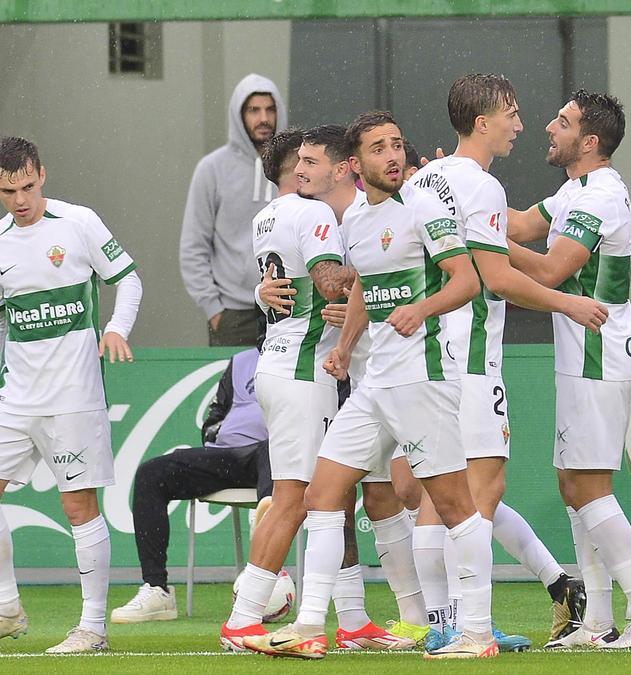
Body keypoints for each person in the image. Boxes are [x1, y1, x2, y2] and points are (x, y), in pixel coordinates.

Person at [247, 111, 496, 660]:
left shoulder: (424, 205)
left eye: (398, 145)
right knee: (322, 495)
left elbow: (467, 279)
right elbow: (362, 286)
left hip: (422, 379)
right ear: (357, 165)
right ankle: (310, 626)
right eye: (380, 148)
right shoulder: (356, 217)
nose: (393, 156)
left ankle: (477, 633)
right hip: (373, 385)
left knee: (454, 505)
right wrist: (343, 345)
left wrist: (421, 309)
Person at [407, 73, 601, 651]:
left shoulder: (429, 177)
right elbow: (496, 278)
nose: (520, 124)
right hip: (470, 361)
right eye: (511, 114)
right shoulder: (481, 187)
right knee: (481, 493)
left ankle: (442, 626)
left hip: (425, 358)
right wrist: (567, 301)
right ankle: (471, 627)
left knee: (438, 497)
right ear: (482, 121)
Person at [221, 129, 413, 653]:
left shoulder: (270, 216)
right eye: (299, 162)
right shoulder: (315, 215)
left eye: (311, 160)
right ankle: (243, 617)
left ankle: (351, 619)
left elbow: (296, 286)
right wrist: (388, 272)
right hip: (303, 371)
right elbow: (330, 283)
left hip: (291, 366)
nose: (303, 169)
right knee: (295, 499)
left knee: (333, 497)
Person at [506, 90, 631, 651]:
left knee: (589, 484)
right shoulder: (575, 189)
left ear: (590, 141)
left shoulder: (601, 196)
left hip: (599, 352)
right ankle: (598, 620)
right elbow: (521, 225)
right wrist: (455, 195)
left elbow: (551, 270)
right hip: (582, 354)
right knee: (571, 484)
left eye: (563, 122)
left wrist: (479, 244)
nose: (550, 128)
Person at [0, 136, 142, 654]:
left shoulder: (78, 222)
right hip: (16, 398)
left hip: (74, 395)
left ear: (43, 174)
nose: (21, 199)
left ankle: (93, 629)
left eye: (29, 186)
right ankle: (6, 610)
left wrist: (115, 327)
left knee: (79, 506)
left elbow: (128, 280)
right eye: (9, 190)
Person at [110, 346, 271, 624]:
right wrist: (219, 435)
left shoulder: (313, 354)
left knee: (271, 450)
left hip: (282, 456)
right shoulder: (242, 361)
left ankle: (268, 570)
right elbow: (215, 416)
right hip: (230, 457)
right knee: (152, 474)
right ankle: (156, 589)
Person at [180, 74, 286, 346]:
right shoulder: (212, 169)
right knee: (234, 389)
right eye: (254, 110)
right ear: (239, 115)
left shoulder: (296, 165)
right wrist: (213, 309)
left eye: (270, 109)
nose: (263, 118)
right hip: (233, 316)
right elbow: (194, 246)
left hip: (287, 308)